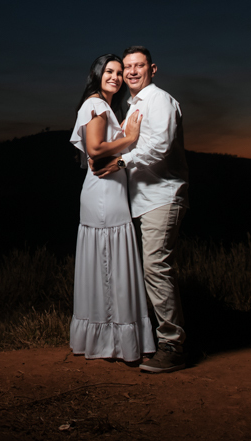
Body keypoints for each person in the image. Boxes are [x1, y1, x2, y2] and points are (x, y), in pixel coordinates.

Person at [91, 45, 188, 373]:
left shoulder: (159, 101)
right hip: (141, 200)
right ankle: (149, 339)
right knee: (147, 269)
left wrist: (120, 161)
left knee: (156, 267)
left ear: (152, 69)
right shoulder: (133, 105)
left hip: (163, 195)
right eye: (127, 67)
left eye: (139, 66)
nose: (131, 72)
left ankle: (173, 347)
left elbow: (160, 147)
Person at [68, 53, 154, 363]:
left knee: (109, 263)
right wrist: (130, 137)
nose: (116, 77)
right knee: (109, 263)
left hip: (110, 192)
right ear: (97, 74)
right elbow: (95, 149)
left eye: (119, 72)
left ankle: (110, 338)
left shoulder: (104, 106)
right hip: (104, 194)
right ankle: (112, 340)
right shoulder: (96, 105)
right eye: (109, 71)